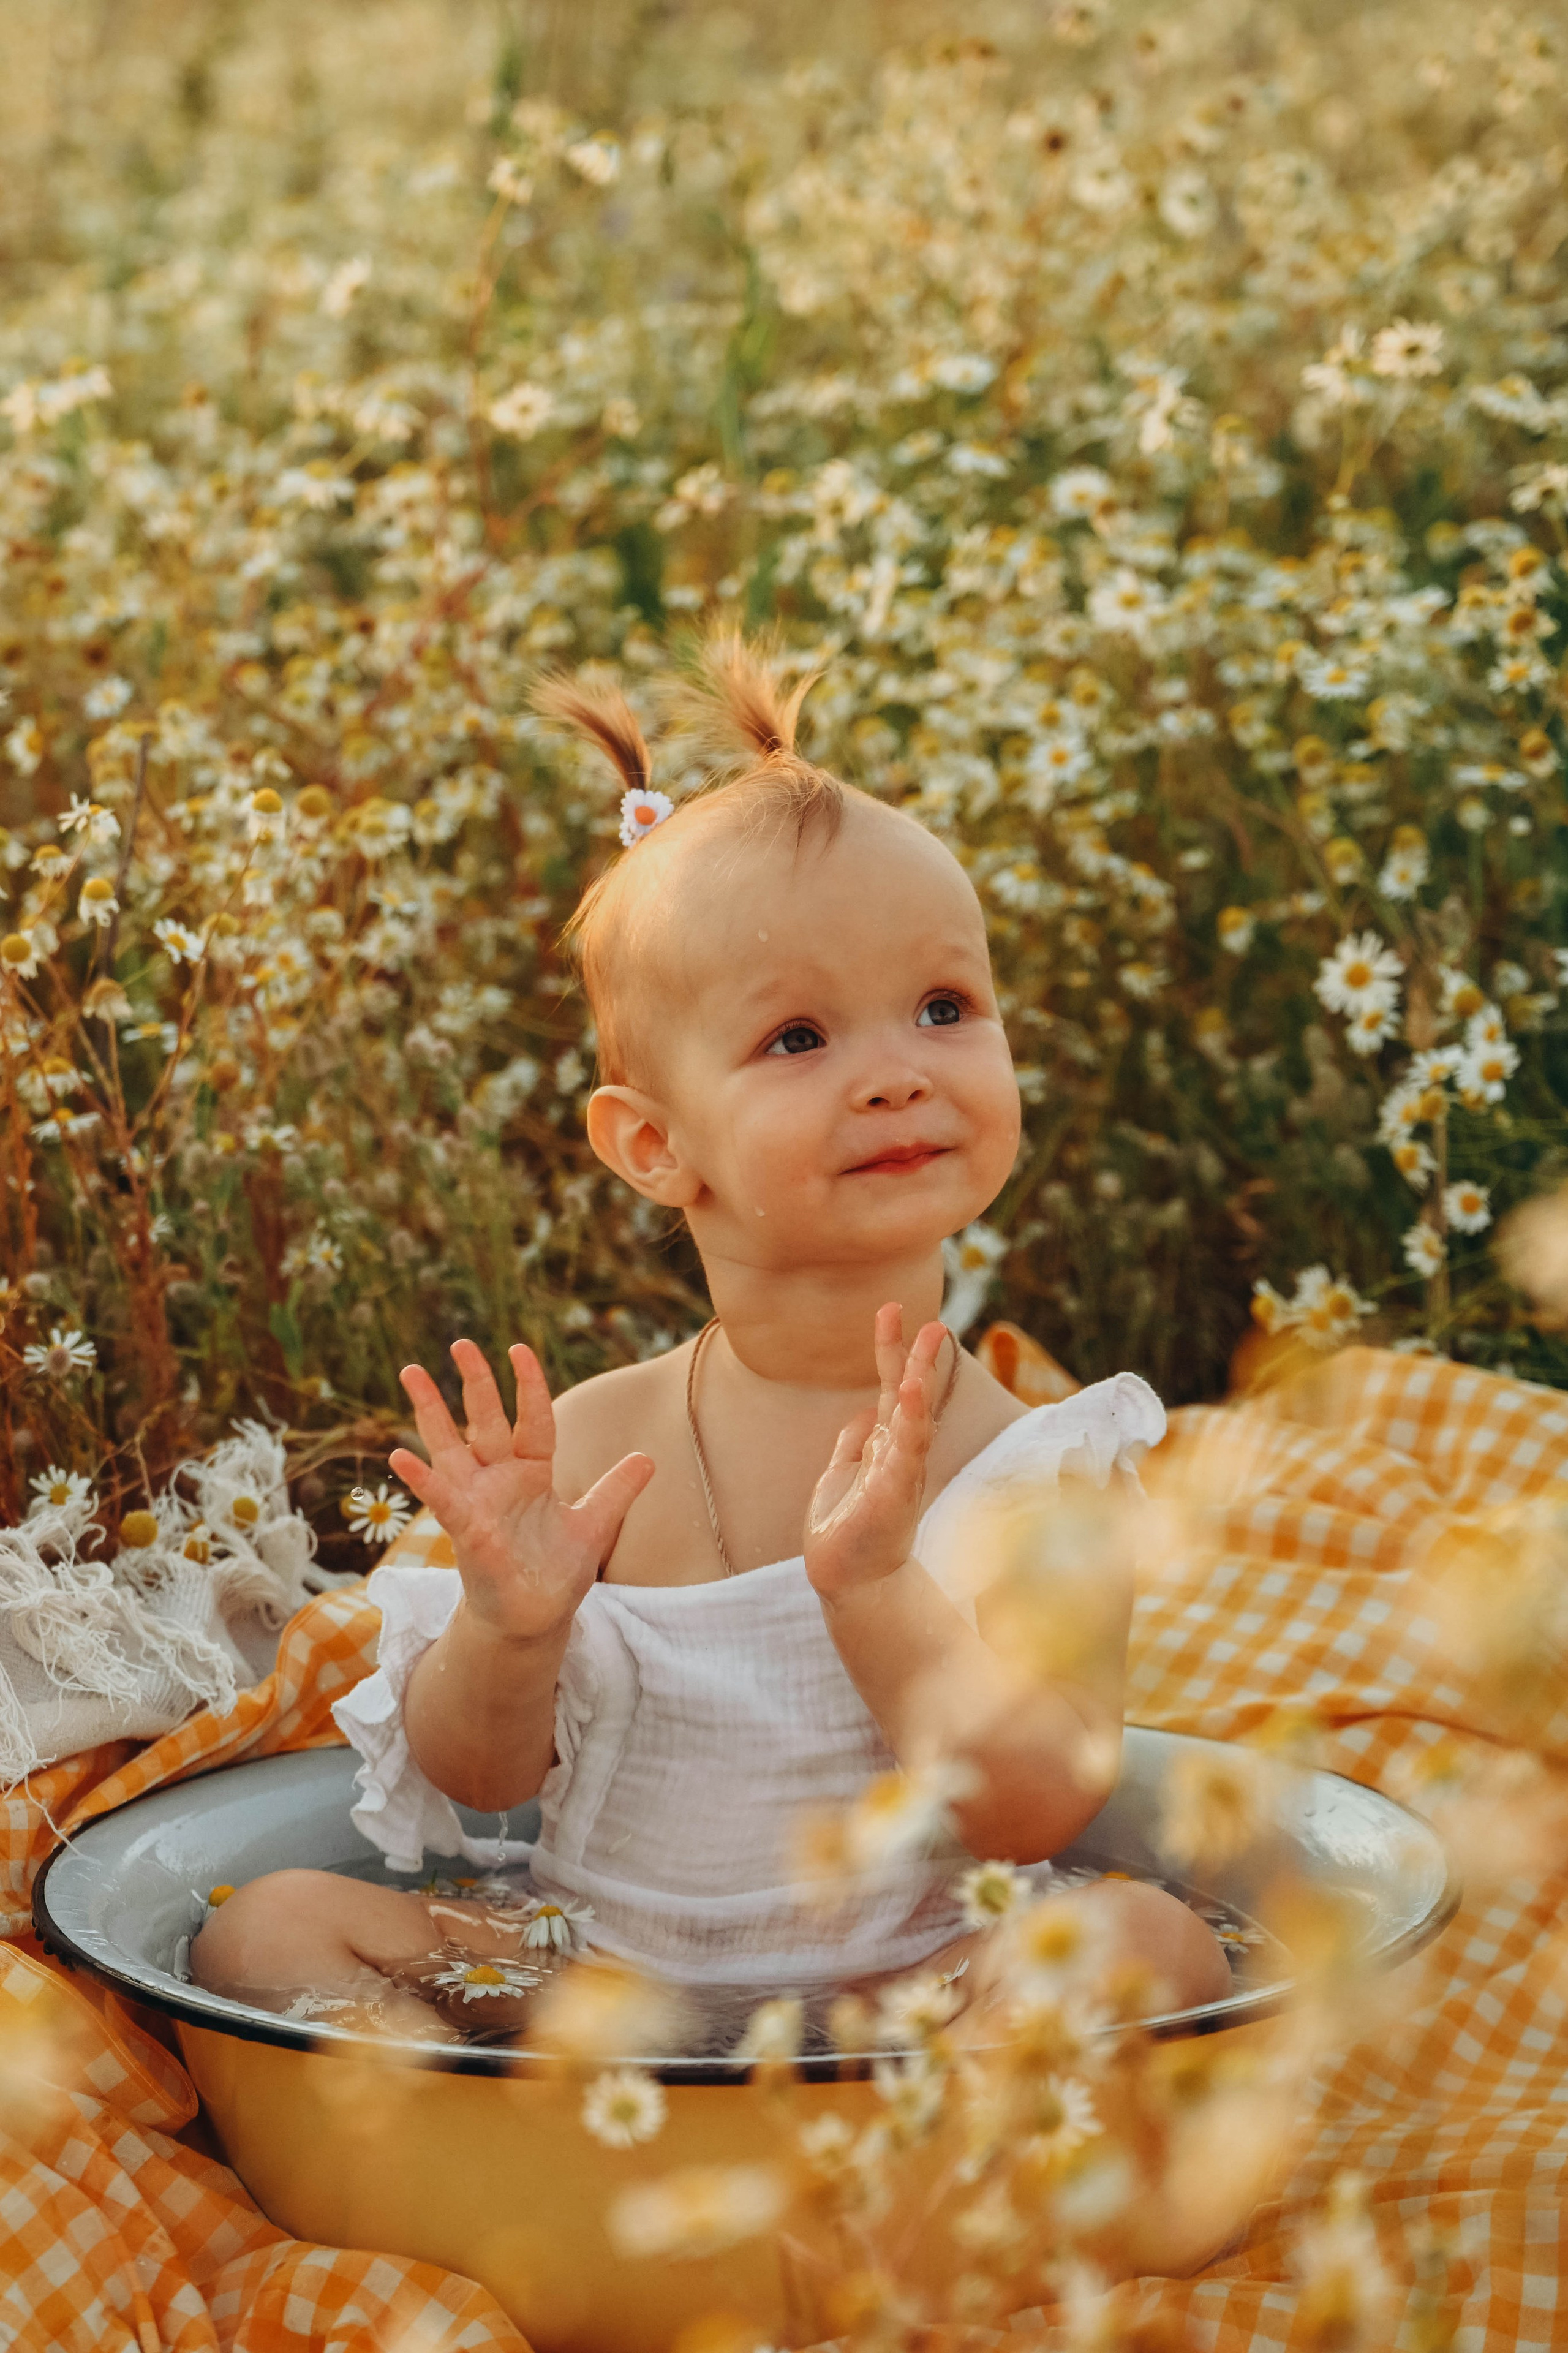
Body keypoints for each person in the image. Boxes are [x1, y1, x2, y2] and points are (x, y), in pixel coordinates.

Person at [192, 636, 1231, 2044]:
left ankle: (884, 2150)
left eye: (943, 1008)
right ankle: (486, 2131)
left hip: (908, 1993)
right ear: (651, 1145)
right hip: (595, 1988)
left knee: (1151, 1942)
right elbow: (483, 1780)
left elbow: (1036, 1812)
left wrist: (875, 1591)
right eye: (798, 1037)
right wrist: (507, 1627)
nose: (895, 1072)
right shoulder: (599, 1443)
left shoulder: (1045, 1468)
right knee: (265, 1927)